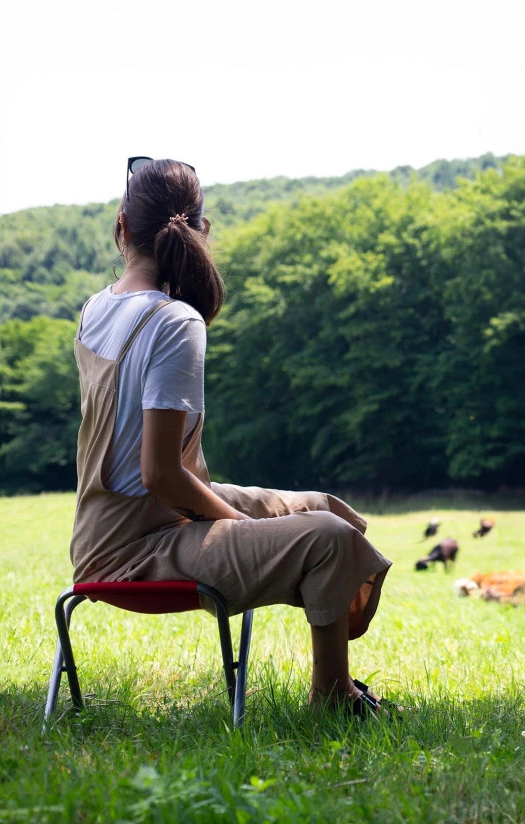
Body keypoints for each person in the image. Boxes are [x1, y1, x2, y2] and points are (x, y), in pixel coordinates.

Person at [70, 156, 395, 718]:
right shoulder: (175, 322)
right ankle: (332, 698)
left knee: (329, 512)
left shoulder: (96, 308)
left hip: (105, 528)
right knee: (328, 539)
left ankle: (334, 672)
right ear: (202, 232)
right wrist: (240, 525)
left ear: (122, 226)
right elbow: (161, 475)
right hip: (137, 547)